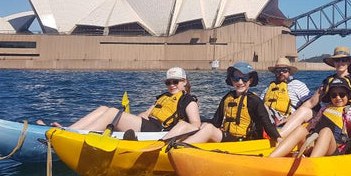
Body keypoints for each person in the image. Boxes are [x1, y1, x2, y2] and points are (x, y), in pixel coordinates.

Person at [40, 67, 201, 135]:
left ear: (184, 82)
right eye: (168, 82)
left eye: (176, 82)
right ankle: (68, 130)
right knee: (104, 108)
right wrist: (139, 117)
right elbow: (146, 113)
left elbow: (195, 124)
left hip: (158, 130)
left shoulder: (188, 100)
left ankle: (74, 136)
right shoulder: (163, 97)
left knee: (112, 113)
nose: (172, 85)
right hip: (147, 124)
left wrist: (178, 132)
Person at [276, 46, 351, 139]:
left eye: (344, 60)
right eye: (337, 60)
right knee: (304, 110)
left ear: (348, 62)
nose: (340, 63)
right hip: (329, 117)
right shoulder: (328, 82)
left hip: (349, 120)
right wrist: (289, 117)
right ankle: (279, 137)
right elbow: (311, 103)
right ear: (334, 63)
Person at [180, 62, 281, 144]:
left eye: (244, 78)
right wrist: (199, 121)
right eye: (236, 79)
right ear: (232, 80)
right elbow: (216, 122)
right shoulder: (227, 98)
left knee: (209, 129)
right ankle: (168, 145)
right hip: (229, 138)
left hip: (245, 142)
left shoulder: (254, 100)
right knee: (201, 125)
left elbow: (266, 123)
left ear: (250, 80)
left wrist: (278, 138)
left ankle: (181, 149)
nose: (240, 82)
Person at [270, 77, 351, 158]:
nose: (338, 98)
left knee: (326, 131)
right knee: (301, 129)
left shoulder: (350, 111)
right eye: (334, 95)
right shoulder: (325, 108)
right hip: (314, 142)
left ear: (348, 95)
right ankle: (271, 158)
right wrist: (302, 135)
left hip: (333, 147)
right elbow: (313, 124)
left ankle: (310, 162)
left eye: (342, 94)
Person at [261, 57, 311, 127]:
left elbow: (311, 105)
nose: (281, 73)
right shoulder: (268, 88)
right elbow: (259, 105)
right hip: (267, 118)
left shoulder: (298, 85)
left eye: (284, 70)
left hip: (286, 121)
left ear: (289, 72)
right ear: (275, 72)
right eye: (278, 70)